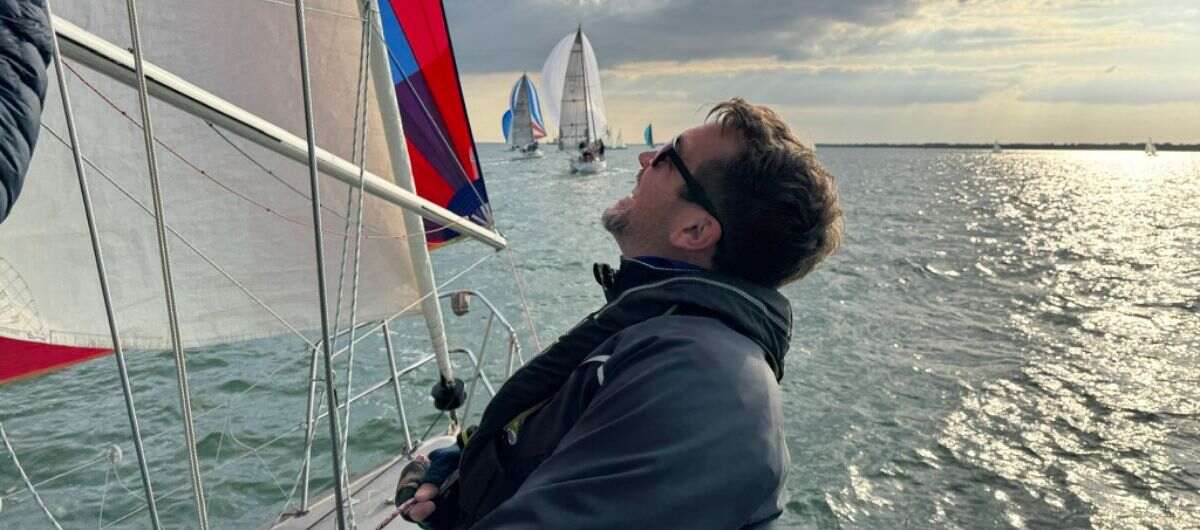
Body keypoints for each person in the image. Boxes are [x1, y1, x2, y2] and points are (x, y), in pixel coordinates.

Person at [399, 98, 843, 529]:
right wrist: (469, 473)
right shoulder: (668, 330)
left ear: (694, 230)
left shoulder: (703, 384)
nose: (646, 157)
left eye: (670, 156)